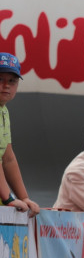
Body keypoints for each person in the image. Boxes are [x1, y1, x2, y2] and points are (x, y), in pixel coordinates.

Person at [0, 53, 39, 216]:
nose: (6, 85)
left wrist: (24, 197)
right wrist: (8, 199)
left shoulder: (4, 111)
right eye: (0, 79)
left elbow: (8, 158)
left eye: (12, 81)